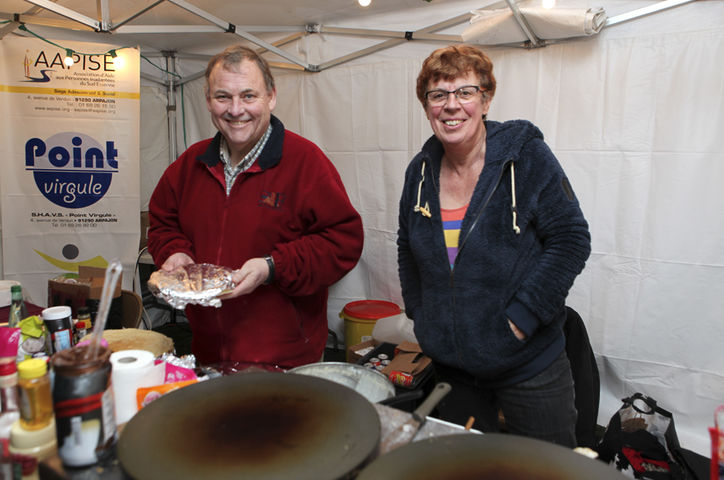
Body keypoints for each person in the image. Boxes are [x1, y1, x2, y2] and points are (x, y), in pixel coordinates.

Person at [397, 44, 591, 448]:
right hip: (454, 369)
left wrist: (522, 318)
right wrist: (421, 314)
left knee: (545, 472)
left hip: (529, 366)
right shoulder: (419, 172)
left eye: (465, 92)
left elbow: (571, 239)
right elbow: (405, 246)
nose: (452, 106)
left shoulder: (526, 158)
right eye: (438, 95)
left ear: (485, 100)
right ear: (426, 105)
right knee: (469, 471)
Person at [148, 45, 364, 368]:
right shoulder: (189, 165)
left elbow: (343, 242)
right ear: (208, 100)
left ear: (271, 97)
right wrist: (175, 252)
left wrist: (272, 267)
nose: (236, 110)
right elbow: (163, 222)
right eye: (223, 97)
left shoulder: (306, 163)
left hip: (288, 361)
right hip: (208, 354)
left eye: (249, 96)